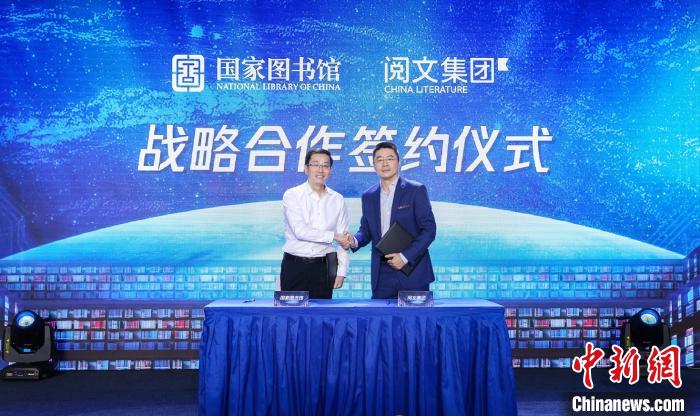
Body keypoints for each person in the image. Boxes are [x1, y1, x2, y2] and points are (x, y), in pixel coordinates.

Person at [342, 141, 436, 299]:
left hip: (412, 270)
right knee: (380, 315)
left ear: (398, 162)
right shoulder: (368, 196)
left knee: (415, 316)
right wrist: (354, 240)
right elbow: (366, 230)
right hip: (382, 274)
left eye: (390, 158)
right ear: (374, 165)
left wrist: (405, 257)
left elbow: (429, 230)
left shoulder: (415, 190)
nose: (384, 163)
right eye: (379, 159)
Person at [280, 148, 349, 299]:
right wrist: (334, 236)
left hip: (324, 268)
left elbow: (344, 239)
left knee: (322, 313)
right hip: (294, 266)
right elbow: (300, 231)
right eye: (315, 164)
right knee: (291, 312)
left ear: (330, 170)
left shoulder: (338, 199)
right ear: (306, 168)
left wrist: (342, 271)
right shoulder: (292, 195)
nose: (320, 170)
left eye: (325, 165)